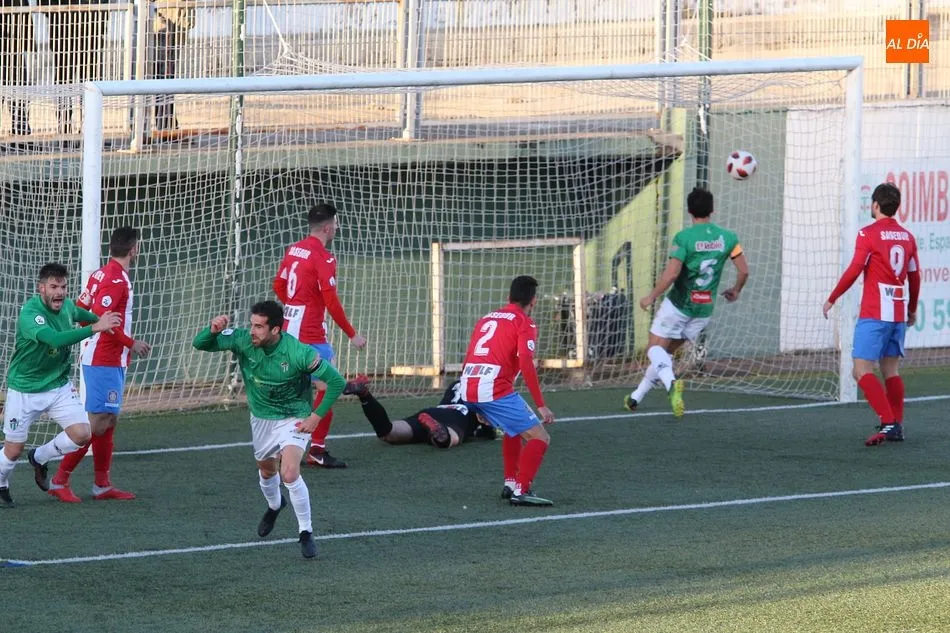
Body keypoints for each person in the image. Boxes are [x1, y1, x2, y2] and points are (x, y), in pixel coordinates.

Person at [192, 300, 346, 559]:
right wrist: (213, 330)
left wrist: (316, 417)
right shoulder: (242, 340)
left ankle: (305, 532)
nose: (253, 330)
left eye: (260, 327)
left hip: (293, 416)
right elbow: (200, 344)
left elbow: (336, 381)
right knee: (266, 469)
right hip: (262, 418)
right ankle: (275, 505)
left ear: (276, 330)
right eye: (252, 324)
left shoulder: (299, 353)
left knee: (289, 472)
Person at [0, 263, 121, 508]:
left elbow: (80, 314)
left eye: (63, 287)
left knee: (82, 433)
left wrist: (100, 319)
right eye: (54, 287)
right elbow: (53, 339)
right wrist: (95, 327)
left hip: (58, 386)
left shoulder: (66, 306)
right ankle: (1, 483)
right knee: (13, 450)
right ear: (41, 288)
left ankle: (39, 457)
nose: (60, 292)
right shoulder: (30, 314)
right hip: (25, 389)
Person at [49, 228, 152, 503]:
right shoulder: (116, 280)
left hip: (109, 358)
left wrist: (94, 327)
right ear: (133, 249)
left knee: (108, 422)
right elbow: (101, 321)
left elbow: (81, 310)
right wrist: (132, 343)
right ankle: (60, 479)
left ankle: (102, 485)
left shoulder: (99, 274)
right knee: (95, 424)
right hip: (103, 358)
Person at [625, 187, 748, 417]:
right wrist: (736, 290)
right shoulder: (729, 238)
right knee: (666, 354)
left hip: (679, 305)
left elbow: (672, 275)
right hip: (703, 310)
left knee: (654, 349)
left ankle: (672, 385)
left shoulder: (684, 238)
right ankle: (635, 397)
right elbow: (744, 271)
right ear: (712, 210)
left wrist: (651, 296)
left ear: (690, 210)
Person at [823, 183, 919, 446]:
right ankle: (896, 425)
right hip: (897, 311)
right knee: (891, 370)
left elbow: (855, 270)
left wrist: (832, 298)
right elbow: (914, 276)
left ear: (875, 205)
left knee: (861, 370)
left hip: (875, 312)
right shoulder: (907, 237)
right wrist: (911, 309)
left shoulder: (867, 234)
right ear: (896, 207)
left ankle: (888, 421)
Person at [273, 202, 366, 468]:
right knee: (329, 387)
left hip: (289, 329)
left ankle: (282, 449)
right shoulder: (324, 257)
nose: (337, 227)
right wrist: (352, 334)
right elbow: (332, 302)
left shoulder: (294, 249)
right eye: (336, 223)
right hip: (310, 332)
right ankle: (317, 449)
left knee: (293, 390)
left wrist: (293, 305)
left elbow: (278, 285)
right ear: (328, 227)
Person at [460, 275, 556, 507]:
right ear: (533, 301)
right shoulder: (524, 322)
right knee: (540, 437)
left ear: (508, 297)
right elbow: (526, 362)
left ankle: (511, 483)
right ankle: (521, 490)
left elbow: (470, 355)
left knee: (513, 429)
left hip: (467, 385)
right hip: (492, 388)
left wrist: (475, 401)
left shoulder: (486, 318)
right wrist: (541, 404)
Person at [346, 377, 498, 448]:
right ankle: (439, 432)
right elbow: (487, 426)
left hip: (433, 412)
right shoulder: (483, 388)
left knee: (388, 432)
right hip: (458, 416)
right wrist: (488, 432)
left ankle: (365, 395)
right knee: (449, 439)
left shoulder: (455, 384)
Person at [42, 0, 107, 138]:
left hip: (90, 27)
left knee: (91, 81)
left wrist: (101, 14)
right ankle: (64, 127)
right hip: (63, 27)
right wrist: (55, 12)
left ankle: (89, 127)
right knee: (64, 80)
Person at [152, 2, 194, 131]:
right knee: (162, 77)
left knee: (164, 78)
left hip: (170, 31)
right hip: (161, 30)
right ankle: (164, 124)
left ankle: (165, 124)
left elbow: (188, 22)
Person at [0, 0, 34, 146]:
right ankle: (20, 130)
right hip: (14, 41)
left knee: (18, 83)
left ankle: (20, 129)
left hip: (15, 42)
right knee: (17, 82)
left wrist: (27, 41)